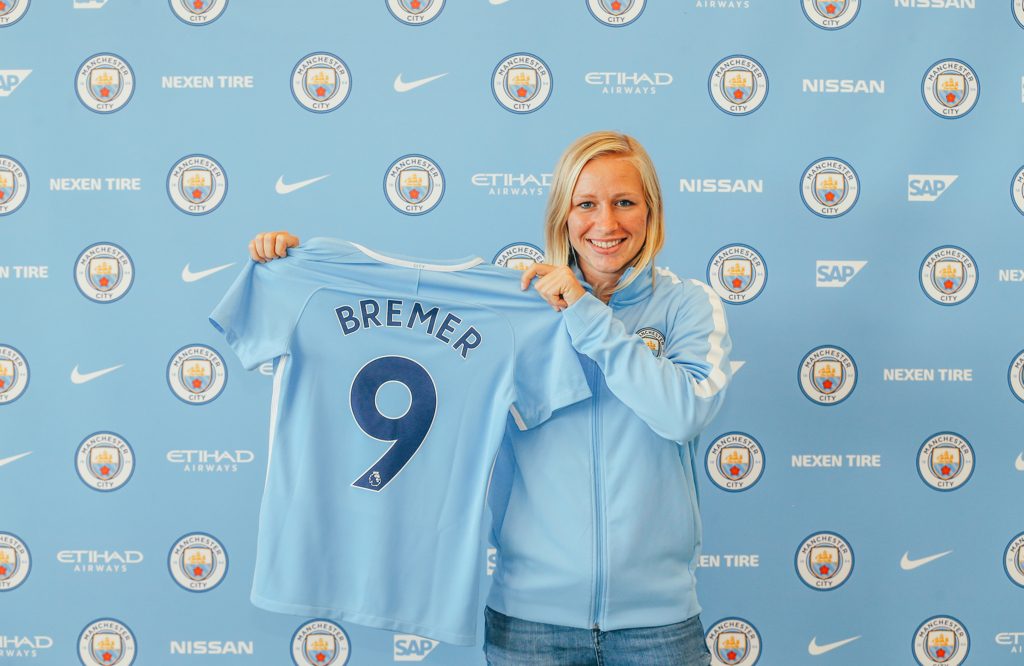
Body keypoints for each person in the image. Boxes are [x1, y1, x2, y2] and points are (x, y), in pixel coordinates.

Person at [249, 130, 732, 666]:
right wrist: (294, 270)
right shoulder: (515, 312)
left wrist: (586, 317)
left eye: (625, 203)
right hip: (530, 623)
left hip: (659, 625)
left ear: (651, 212)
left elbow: (683, 413)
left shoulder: (689, 305)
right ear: (563, 216)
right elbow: (399, 325)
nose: (606, 223)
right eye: (586, 204)